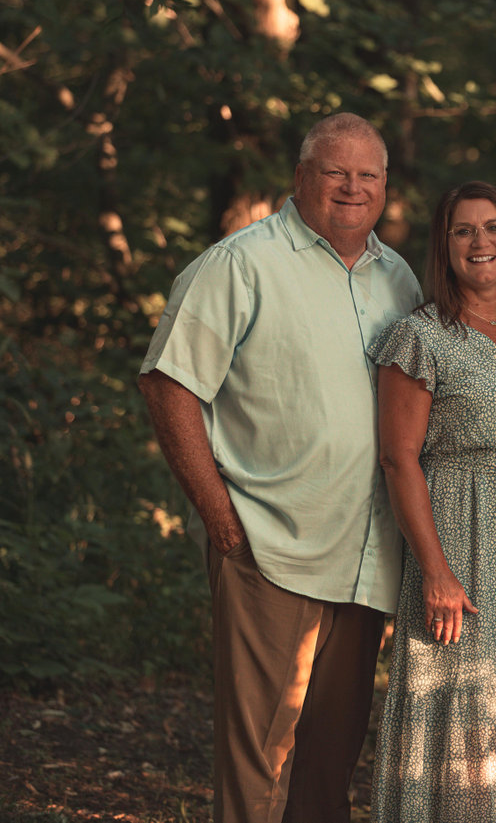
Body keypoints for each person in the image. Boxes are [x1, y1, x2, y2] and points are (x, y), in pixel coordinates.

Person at [138, 113, 422, 823]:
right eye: (336, 171)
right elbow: (169, 383)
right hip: (269, 548)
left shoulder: (400, 278)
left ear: (386, 185)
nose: (352, 188)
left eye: (367, 175)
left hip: (366, 557)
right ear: (301, 178)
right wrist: (219, 516)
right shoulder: (241, 263)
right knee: (259, 764)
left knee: (330, 763)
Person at [367, 181, 496, 822]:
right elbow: (399, 457)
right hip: (458, 534)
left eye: (494, 228)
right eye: (463, 231)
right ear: (444, 245)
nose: (480, 242)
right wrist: (434, 570)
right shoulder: (419, 337)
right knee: (463, 718)